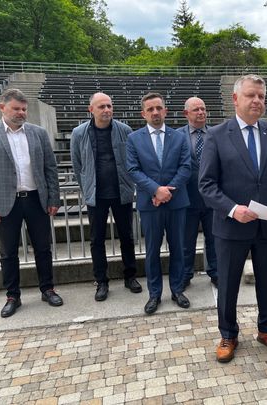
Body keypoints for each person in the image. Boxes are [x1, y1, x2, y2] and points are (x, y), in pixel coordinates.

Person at [199, 74, 267, 363]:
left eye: (261, 96)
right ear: (235, 99)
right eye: (251, 95)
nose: (257, 101)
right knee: (228, 284)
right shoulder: (216, 135)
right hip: (231, 227)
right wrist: (232, 209)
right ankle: (228, 334)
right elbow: (206, 185)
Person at [0, 88, 63, 317]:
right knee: (8, 253)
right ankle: (12, 296)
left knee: (43, 249)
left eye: (24, 109)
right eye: (16, 108)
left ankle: (48, 289)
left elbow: (50, 168)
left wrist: (54, 198)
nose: (21, 113)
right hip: (6, 203)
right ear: (2, 107)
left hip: (37, 199)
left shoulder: (38, 133)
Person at [71, 92, 141, 301]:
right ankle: (101, 281)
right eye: (101, 106)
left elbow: (132, 160)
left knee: (127, 237)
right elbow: (77, 165)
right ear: (91, 109)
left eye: (109, 106)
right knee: (97, 239)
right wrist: (87, 188)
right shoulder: (79, 133)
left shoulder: (125, 130)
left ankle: (130, 276)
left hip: (121, 192)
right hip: (96, 195)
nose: (107, 110)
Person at [126, 92, 191, 315]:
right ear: (143, 114)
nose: (155, 112)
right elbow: (133, 169)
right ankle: (154, 294)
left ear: (165, 111)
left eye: (158, 108)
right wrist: (156, 190)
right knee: (152, 250)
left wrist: (167, 191)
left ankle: (177, 289)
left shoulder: (179, 137)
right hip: (150, 204)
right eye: (150, 109)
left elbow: (186, 167)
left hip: (176, 202)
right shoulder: (134, 139)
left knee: (178, 248)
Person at [176, 97, 218, 289]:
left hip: (213, 199)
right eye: (196, 110)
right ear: (186, 113)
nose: (201, 112)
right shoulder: (177, 136)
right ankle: (185, 274)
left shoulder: (216, 134)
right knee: (186, 241)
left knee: (214, 239)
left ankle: (216, 273)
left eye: (203, 109)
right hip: (187, 198)